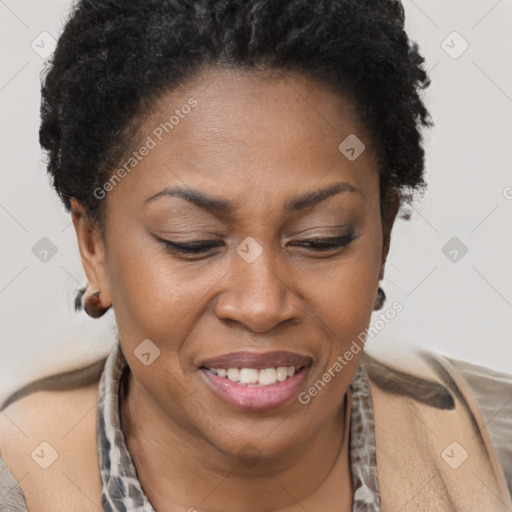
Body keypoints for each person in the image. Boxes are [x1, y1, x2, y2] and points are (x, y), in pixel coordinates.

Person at [1, 0, 511, 510]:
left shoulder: (493, 456)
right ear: (94, 246)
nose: (261, 305)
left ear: (382, 239)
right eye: (193, 242)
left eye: (320, 238)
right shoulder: (20, 482)